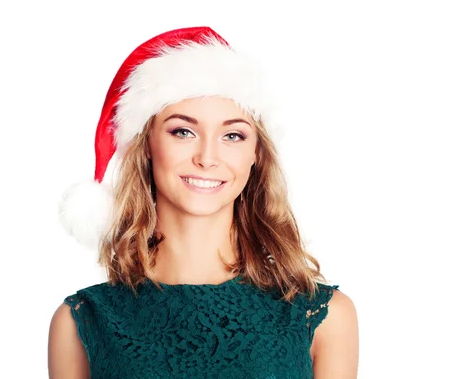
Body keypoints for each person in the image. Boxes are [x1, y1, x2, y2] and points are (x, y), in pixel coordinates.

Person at [48, 26, 359, 379]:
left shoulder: (320, 317)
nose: (208, 157)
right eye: (183, 131)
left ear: (255, 153)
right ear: (147, 145)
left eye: (232, 135)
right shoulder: (83, 321)